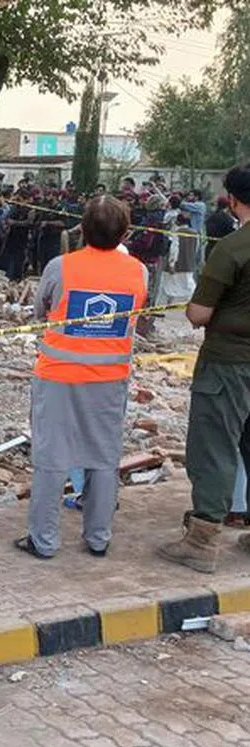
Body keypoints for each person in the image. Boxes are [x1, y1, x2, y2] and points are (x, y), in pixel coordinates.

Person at [17, 195, 148, 559]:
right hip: (110, 381)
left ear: (83, 229)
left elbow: (42, 310)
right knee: (104, 459)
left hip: (59, 378)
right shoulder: (138, 271)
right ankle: (98, 538)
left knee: (51, 459)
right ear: (124, 232)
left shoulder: (61, 267)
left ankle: (43, 542)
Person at [158, 165, 250, 573]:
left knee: (214, 445)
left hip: (229, 363)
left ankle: (202, 540)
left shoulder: (232, 248)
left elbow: (197, 313)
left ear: (232, 199)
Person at [205, 196, 237, 262]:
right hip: (223, 251)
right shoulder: (228, 220)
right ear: (227, 206)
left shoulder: (211, 217)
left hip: (210, 249)